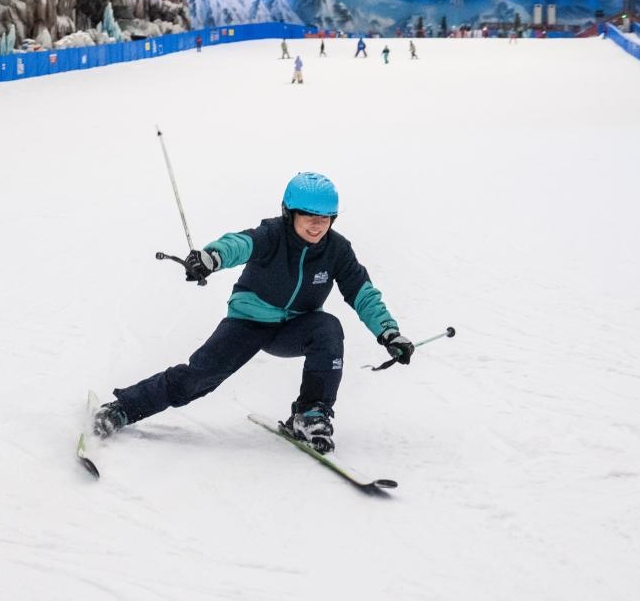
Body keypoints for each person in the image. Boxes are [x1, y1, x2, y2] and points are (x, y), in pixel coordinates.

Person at [92, 173, 414, 454]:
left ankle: (311, 415)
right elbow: (239, 244)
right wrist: (210, 258)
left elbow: (362, 292)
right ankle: (123, 408)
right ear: (290, 213)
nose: (318, 224)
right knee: (199, 377)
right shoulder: (272, 235)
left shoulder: (337, 250)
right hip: (248, 322)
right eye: (309, 215)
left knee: (328, 328)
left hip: (295, 327)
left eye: (326, 217)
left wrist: (389, 332)